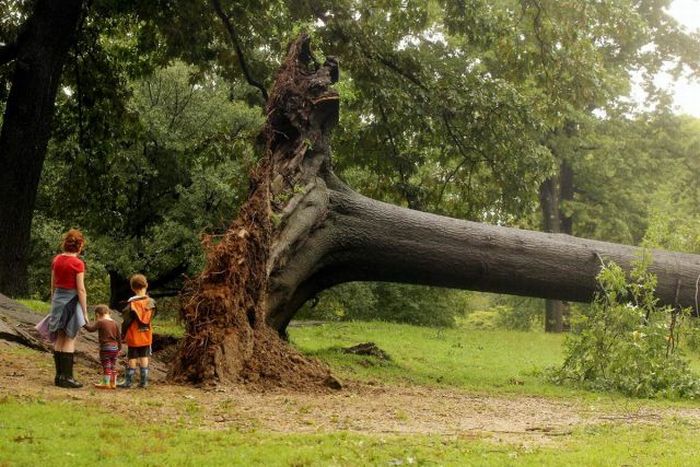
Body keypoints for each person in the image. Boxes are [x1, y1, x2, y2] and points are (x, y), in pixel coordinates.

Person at [48, 229, 89, 388]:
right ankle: (68, 378)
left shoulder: (57, 259)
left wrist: (54, 300)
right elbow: (81, 290)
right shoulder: (78, 263)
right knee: (70, 338)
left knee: (59, 338)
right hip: (71, 302)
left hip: (58, 300)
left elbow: (52, 283)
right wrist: (84, 312)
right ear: (79, 246)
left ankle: (58, 377)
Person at [118, 274, 156, 388]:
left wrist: (123, 334)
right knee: (144, 356)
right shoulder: (151, 303)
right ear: (147, 285)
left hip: (134, 335)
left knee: (132, 357)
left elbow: (126, 322)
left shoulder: (131, 305)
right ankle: (144, 382)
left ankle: (128, 382)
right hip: (146, 334)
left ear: (132, 288)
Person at [83, 305, 121, 389]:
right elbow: (119, 337)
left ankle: (106, 383)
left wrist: (83, 324)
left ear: (97, 314)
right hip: (115, 348)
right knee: (113, 365)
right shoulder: (115, 323)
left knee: (106, 365)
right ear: (108, 313)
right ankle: (113, 383)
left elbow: (91, 329)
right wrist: (119, 348)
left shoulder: (101, 322)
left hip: (105, 348)